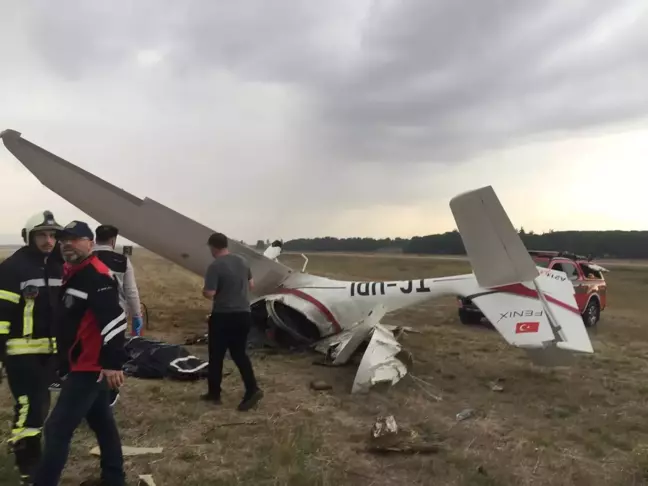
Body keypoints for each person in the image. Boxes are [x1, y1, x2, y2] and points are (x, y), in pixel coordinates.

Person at [32, 221, 128, 486]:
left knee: (56, 429)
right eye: (63, 240)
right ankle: (114, 478)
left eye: (74, 240)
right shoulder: (74, 271)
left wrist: (112, 363)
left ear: (89, 242)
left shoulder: (96, 276)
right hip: (80, 363)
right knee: (103, 424)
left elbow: (115, 320)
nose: (67, 245)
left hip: (90, 366)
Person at [0, 210, 64, 485]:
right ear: (29, 237)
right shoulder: (13, 268)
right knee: (30, 408)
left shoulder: (58, 266)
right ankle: (26, 468)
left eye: (53, 235)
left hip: (49, 354)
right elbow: (1, 315)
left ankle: (30, 461)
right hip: (20, 353)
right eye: (42, 235)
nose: (49, 241)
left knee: (41, 407)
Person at [202, 232, 263, 411]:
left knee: (216, 356)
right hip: (244, 314)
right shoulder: (243, 261)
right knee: (239, 354)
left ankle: (214, 393)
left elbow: (210, 293)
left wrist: (205, 291)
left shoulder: (215, 266)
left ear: (213, 247)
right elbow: (251, 285)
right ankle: (252, 389)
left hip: (223, 316)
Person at [93, 224, 143, 337]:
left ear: (96, 239)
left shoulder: (85, 259)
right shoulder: (122, 261)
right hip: (116, 316)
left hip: (89, 315)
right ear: (113, 241)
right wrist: (137, 315)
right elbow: (131, 292)